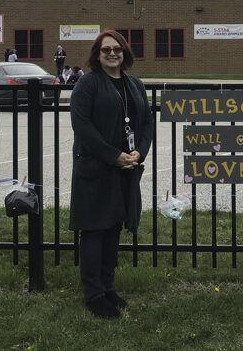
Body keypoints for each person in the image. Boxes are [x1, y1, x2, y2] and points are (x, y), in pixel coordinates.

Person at [68, 29, 153, 319]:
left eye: (117, 49)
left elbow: (146, 123)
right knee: (95, 229)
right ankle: (93, 295)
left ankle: (107, 287)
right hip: (95, 167)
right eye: (106, 50)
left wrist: (139, 152)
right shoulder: (87, 85)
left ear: (125, 52)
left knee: (114, 228)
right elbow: (82, 126)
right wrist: (113, 155)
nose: (112, 53)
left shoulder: (135, 85)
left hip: (126, 167)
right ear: (97, 54)